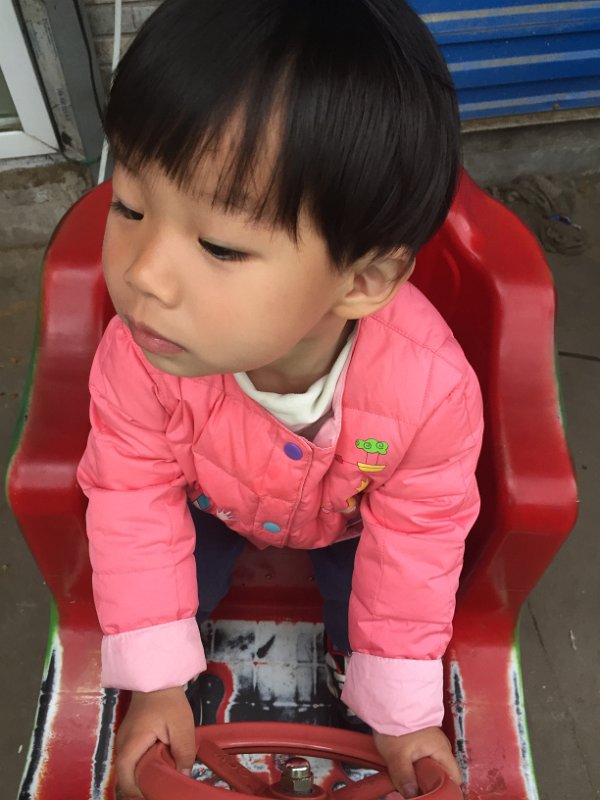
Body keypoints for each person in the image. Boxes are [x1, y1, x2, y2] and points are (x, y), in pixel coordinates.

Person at [77, 0, 484, 797]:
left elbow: (417, 542)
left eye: (220, 245)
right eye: (128, 205)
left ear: (361, 280)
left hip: (350, 519)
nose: (143, 274)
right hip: (208, 501)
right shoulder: (141, 356)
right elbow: (132, 497)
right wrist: (154, 681)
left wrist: (404, 715)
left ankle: (356, 669)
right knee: (171, 582)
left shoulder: (430, 392)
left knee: (361, 600)